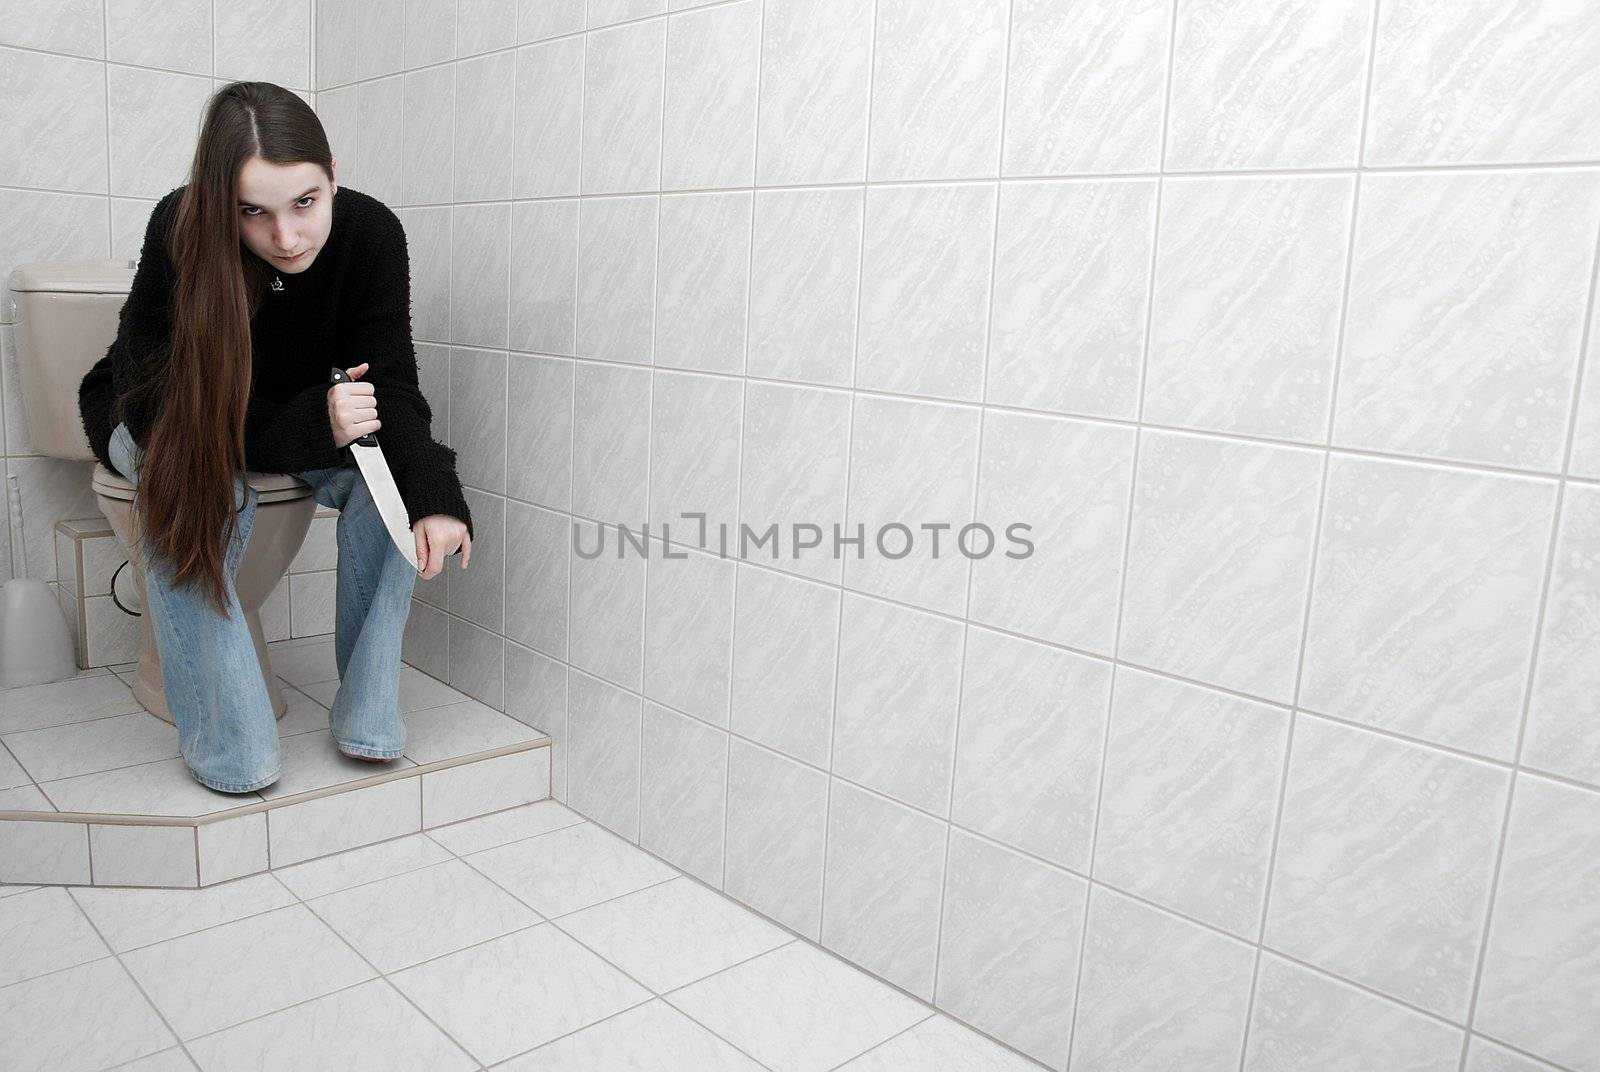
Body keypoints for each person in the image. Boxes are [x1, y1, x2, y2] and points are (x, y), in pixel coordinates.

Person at [77, 81, 473, 794]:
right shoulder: (180, 227)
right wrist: (309, 424)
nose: (286, 238)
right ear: (217, 201)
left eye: (305, 203)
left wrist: (434, 496)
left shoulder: (371, 234)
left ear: (332, 178)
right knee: (199, 486)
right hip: (159, 417)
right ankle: (232, 747)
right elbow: (158, 400)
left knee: (392, 492)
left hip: (295, 413)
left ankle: (367, 717)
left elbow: (392, 391)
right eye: (251, 213)